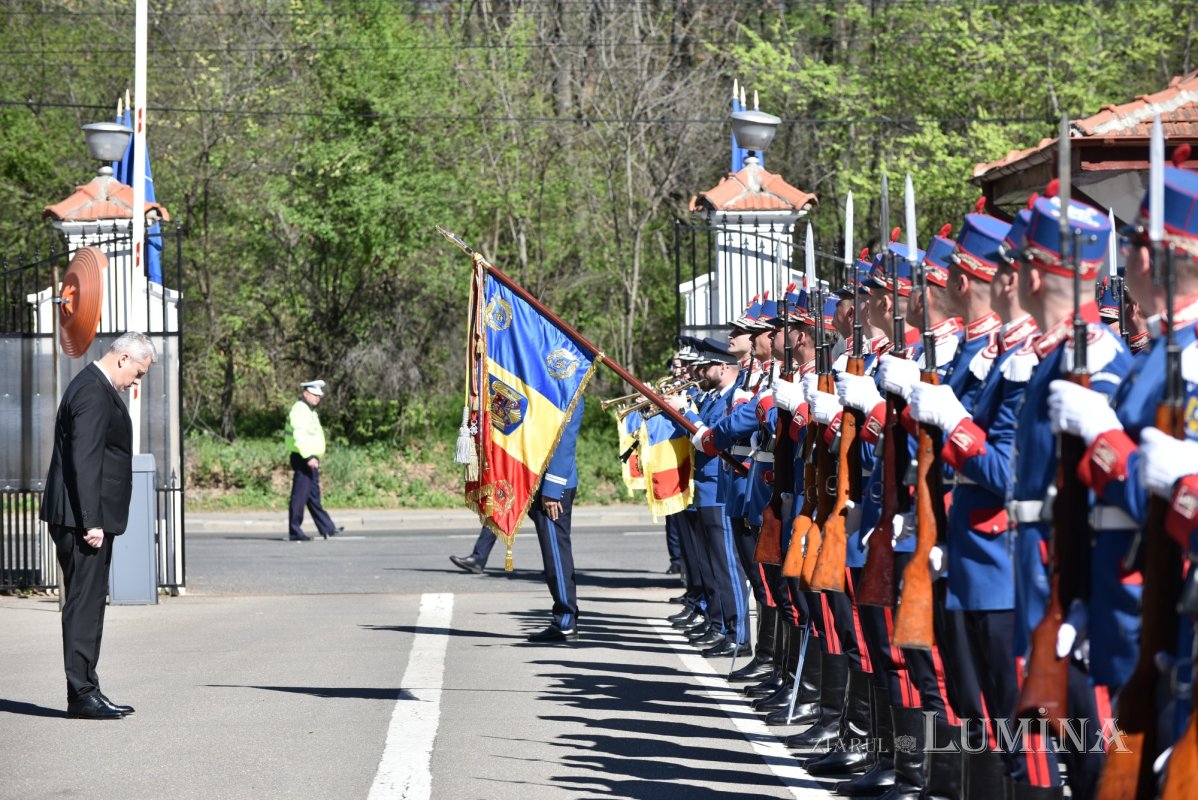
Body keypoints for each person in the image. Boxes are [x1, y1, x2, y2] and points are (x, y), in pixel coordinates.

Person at [41, 331, 156, 720]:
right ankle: (81, 693)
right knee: (83, 605)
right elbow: (84, 460)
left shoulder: (94, 386)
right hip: (81, 520)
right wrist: (92, 521)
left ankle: (88, 687)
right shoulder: (92, 391)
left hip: (85, 518)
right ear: (123, 359)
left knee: (90, 604)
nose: (136, 383)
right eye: (137, 373)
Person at [527, 400, 584, 643]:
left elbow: (565, 440)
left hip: (554, 485)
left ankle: (565, 619)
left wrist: (552, 488)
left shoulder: (569, 388)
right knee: (552, 552)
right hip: (538, 477)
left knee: (556, 554)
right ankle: (563, 617)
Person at [285, 379, 342, 541]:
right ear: (306, 393)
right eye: (315, 395)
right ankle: (295, 531)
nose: (318, 398)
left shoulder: (309, 410)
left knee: (313, 495)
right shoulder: (300, 410)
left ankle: (327, 527)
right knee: (300, 495)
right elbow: (299, 436)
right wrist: (308, 456)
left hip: (310, 458)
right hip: (304, 458)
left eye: (319, 396)